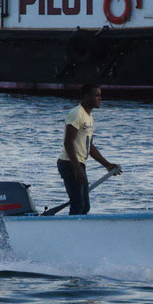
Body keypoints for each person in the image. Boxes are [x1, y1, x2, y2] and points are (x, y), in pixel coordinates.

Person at [57, 84, 121, 215]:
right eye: (96, 95)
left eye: (100, 95)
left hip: (79, 164)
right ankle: (72, 227)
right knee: (78, 205)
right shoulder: (77, 114)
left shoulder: (89, 117)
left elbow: (90, 147)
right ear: (86, 97)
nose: (100, 98)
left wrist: (107, 165)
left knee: (85, 206)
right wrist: (77, 168)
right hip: (69, 164)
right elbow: (68, 143)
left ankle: (79, 226)